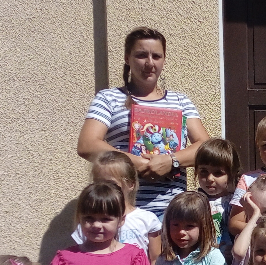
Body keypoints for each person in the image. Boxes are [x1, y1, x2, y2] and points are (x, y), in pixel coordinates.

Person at [76, 27, 209, 218]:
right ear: (127, 58)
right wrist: (136, 163)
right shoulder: (108, 98)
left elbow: (205, 148)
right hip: (122, 211)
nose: (149, 63)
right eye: (141, 55)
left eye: (156, 56)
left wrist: (170, 161)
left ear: (164, 60)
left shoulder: (180, 101)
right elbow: (87, 144)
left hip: (173, 213)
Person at [72, 152, 163, 264]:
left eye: (111, 183)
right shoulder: (89, 224)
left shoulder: (146, 219)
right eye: (98, 183)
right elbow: (80, 259)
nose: (104, 188)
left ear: (130, 184)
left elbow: (155, 259)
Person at [194, 138, 242, 256]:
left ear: (231, 174)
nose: (210, 178)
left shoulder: (236, 203)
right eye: (204, 171)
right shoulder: (193, 202)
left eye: (218, 173)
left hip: (230, 260)